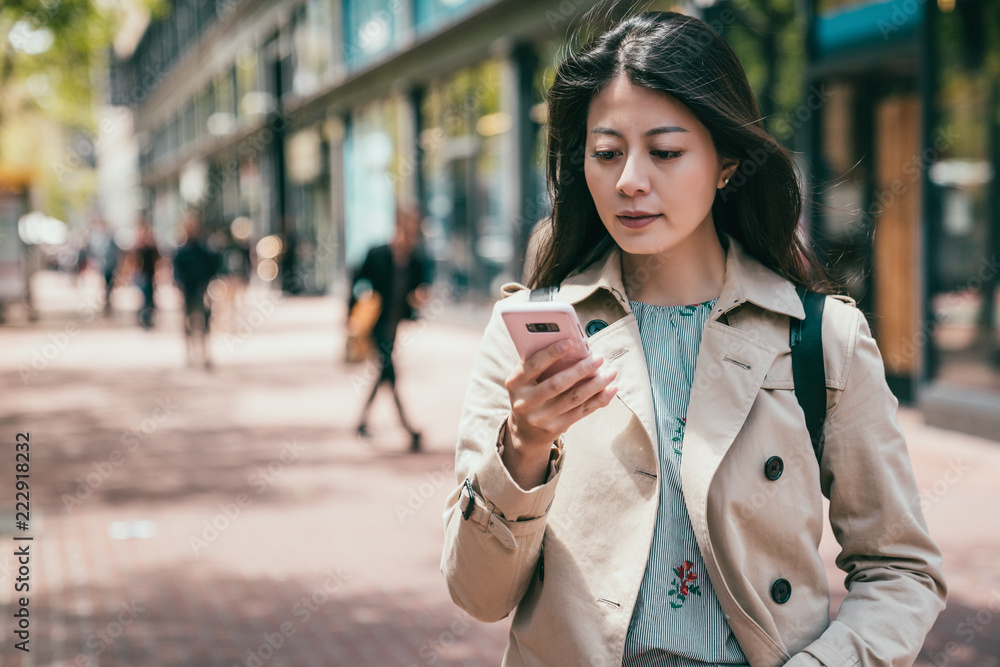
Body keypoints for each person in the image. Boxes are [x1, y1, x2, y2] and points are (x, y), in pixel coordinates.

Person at [441, 11, 945, 667]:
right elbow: (477, 593)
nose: (630, 180)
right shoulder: (530, 337)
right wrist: (525, 445)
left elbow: (901, 568)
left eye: (666, 150)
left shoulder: (820, 337)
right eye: (607, 152)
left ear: (727, 160)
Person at [350, 205, 433, 452]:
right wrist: (351, 315)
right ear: (399, 226)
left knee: (383, 373)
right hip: (375, 323)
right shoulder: (377, 253)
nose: (414, 233)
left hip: (394, 325)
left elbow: (420, 288)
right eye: (410, 227)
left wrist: (419, 297)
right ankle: (409, 429)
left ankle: (362, 422)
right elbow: (356, 281)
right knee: (390, 371)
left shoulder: (415, 259)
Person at [173, 211, 220, 369]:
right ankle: (189, 355)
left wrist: (209, 289)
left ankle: (205, 354)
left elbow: (211, 271)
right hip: (188, 291)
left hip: (201, 290)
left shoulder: (204, 249)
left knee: (205, 324)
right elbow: (177, 273)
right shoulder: (181, 251)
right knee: (188, 324)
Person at [134, 217, 161, 329]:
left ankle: (149, 318)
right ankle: (144, 319)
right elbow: (133, 261)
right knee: (143, 298)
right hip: (141, 276)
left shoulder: (152, 247)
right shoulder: (138, 247)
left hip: (150, 276)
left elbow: (157, 260)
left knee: (149, 298)